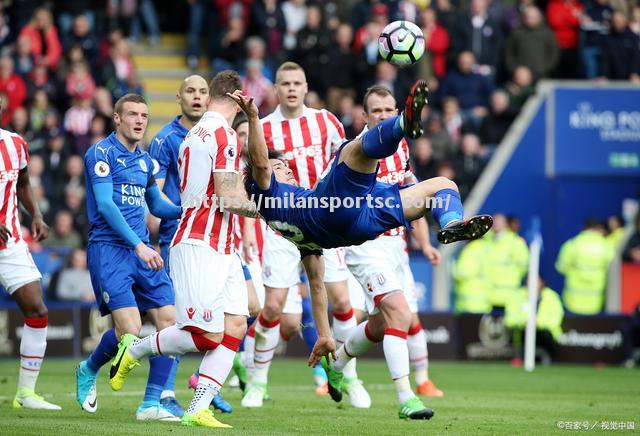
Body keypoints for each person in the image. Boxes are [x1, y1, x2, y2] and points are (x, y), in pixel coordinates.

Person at [230, 79, 493, 420]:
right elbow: (262, 164)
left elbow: (317, 282)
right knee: (351, 152)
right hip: (333, 212)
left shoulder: (297, 231)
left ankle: (451, 224)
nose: (287, 169)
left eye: (285, 167)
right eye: (282, 168)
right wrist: (253, 118)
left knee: (442, 186)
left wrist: (324, 335)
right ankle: (402, 125)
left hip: (356, 218)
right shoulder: (271, 193)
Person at [108, 71, 259, 429]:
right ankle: (136, 348)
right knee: (205, 334)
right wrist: (268, 207)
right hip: (200, 242)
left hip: (222, 245)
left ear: (211, 97)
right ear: (238, 98)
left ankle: (197, 409)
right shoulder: (223, 134)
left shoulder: (193, 133)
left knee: (237, 323)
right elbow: (227, 195)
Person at [241, 61, 369, 409]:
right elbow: (253, 184)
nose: (292, 88)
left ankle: (349, 376)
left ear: (306, 85)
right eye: (285, 83)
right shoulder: (263, 128)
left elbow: (345, 162)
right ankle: (257, 382)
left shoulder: (325, 120)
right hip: (282, 225)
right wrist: (254, 225)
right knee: (273, 306)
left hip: (326, 221)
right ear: (276, 88)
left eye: (297, 82)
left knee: (343, 301)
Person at [75, 94, 183, 421]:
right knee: (131, 331)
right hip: (111, 250)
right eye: (133, 114)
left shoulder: (146, 161)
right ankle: (88, 368)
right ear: (117, 118)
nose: (139, 120)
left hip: (141, 250)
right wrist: (139, 245)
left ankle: (150, 404)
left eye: (144, 115)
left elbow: (157, 205)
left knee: (170, 324)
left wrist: (187, 210)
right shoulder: (101, 153)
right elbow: (106, 205)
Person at [343, 85, 444, 398]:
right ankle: (405, 395)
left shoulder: (400, 149)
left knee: (385, 322)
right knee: (386, 313)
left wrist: (425, 244)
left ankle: (338, 363)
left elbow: (412, 199)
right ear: (365, 116)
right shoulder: (358, 149)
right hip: (365, 245)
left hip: (396, 247)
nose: (384, 116)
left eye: (389, 111)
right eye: (377, 111)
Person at [148, 74, 232, 416]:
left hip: (223, 238)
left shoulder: (218, 131)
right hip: (182, 237)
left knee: (246, 308)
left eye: (202, 92)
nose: (197, 97)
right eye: (190, 92)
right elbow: (155, 191)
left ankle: (204, 377)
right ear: (179, 97)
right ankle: (164, 393)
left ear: (210, 99)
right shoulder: (167, 138)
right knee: (181, 319)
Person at [0, 98, 60, 410]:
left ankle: (25, 393)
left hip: (8, 243)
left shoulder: (15, 144)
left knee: (37, 309)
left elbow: (22, 184)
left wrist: (35, 214)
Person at [556, 218, 615, 314]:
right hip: (596, 300)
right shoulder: (606, 246)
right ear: (598, 228)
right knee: (593, 327)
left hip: (573, 300)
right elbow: (612, 269)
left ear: (583, 228)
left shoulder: (572, 244)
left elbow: (561, 268)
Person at [504, 276, 564, 366]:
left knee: (543, 333)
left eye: (536, 281)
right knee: (522, 332)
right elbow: (509, 318)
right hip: (523, 331)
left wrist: (538, 322)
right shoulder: (518, 295)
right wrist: (524, 322)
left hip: (545, 333)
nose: (533, 284)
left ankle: (550, 359)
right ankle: (519, 358)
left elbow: (555, 319)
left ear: (542, 282)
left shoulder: (551, 297)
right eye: (530, 281)